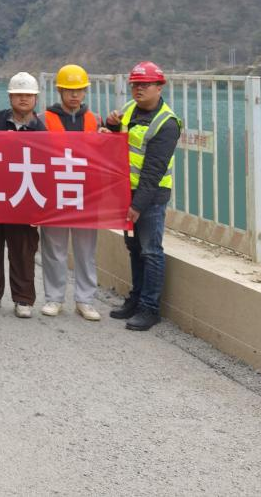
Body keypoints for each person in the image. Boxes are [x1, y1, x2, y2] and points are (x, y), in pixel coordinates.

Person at [105, 61, 182, 332]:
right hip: (127, 192)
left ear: (159, 87)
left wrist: (137, 205)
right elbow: (116, 143)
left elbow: (153, 170)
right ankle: (136, 299)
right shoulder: (128, 109)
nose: (138, 89)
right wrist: (110, 125)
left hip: (151, 197)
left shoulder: (167, 123)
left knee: (151, 251)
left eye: (145, 85)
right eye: (135, 85)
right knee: (134, 247)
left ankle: (150, 309)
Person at [0, 72, 45, 318]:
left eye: (28, 95)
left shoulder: (42, 131)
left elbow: (48, 171)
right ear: (10, 97)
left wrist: (40, 210)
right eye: (18, 94)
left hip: (25, 199)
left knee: (23, 251)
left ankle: (23, 299)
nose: (23, 99)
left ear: (35, 99)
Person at [40, 64, 102, 321]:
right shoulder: (44, 119)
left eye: (79, 90)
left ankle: (85, 300)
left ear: (85, 91)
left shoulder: (95, 120)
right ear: (60, 91)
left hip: (86, 193)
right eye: (69, 90)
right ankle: (54, 298)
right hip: (54, 190)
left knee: (86, 250)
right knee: (54, 249)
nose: (74, 95)